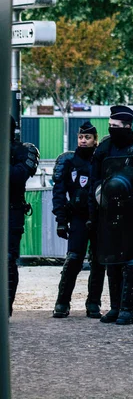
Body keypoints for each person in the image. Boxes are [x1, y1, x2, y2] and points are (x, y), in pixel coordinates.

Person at [88, 105, 133, 325]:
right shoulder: (104, 148)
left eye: (116, 126)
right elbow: (94, 179)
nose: (111, 129)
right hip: (108, 213)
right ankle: (115, 307)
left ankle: (128, 309)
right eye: (110, 125)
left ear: (127, 126)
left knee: (129, 262)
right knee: (112, 261)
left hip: (132, 214)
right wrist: (98, 198)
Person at [52, 121, 105, 318]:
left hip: (99, 218)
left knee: (99, 262)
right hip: (77, 217)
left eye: (88, 138)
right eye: (81, 137)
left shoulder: (101, 161)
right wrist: (61, 219)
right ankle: (62, 303)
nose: (83, 141)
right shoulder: (69, 161)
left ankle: (93, 304)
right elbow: (59, 192)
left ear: (95, 140)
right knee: (73, 259)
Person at [8, 116, 39, 317]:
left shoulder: (24, 150)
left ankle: (5, 308)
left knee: (9, 260)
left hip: (12, 211)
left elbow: (16, 176)